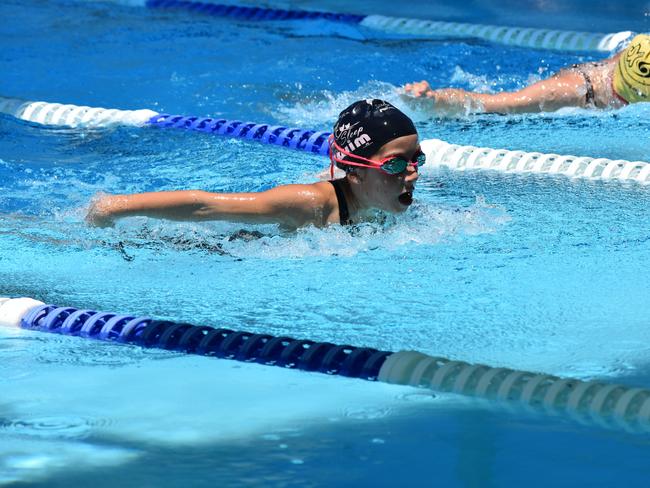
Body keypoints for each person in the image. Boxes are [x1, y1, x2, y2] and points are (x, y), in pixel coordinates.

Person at [86, 99, 424, 230]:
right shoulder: (309, 204)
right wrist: (114, 206)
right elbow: (205, 205)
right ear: (355, 169)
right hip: (216, 250)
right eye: (395, 165)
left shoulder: (383, 198)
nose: (412, 173)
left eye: (416, 159)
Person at [404, 33, 650, 115]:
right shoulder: (565, 93)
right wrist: (433, 99)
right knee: (512, 103)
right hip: (585, 87)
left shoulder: (641, 46)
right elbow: (488, 103)